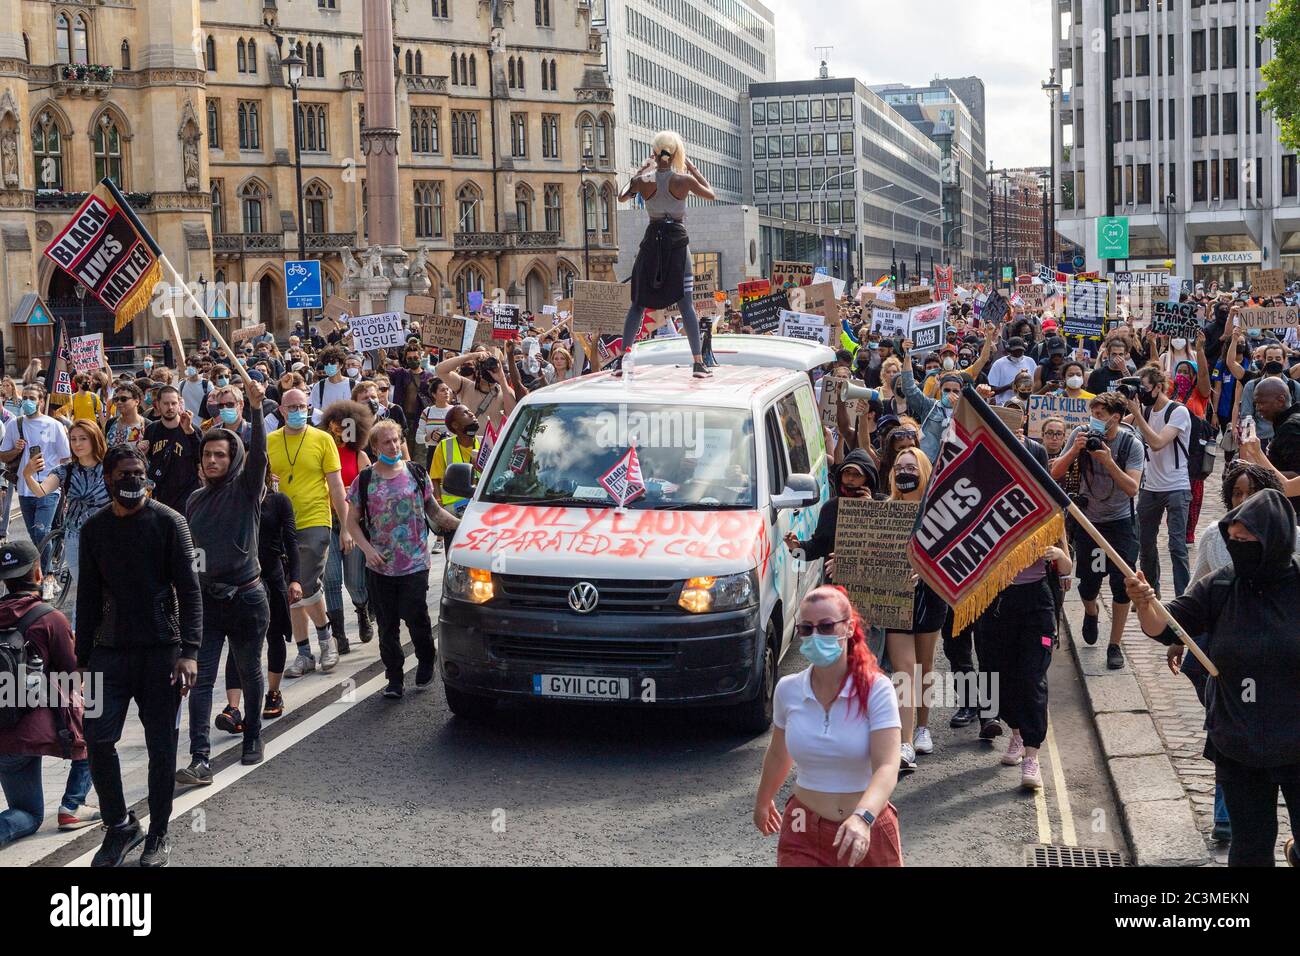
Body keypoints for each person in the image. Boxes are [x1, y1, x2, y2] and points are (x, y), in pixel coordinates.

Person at [1125, 489, 1300, 868]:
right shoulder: (1221, 585)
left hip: (1297, 742)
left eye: (1247, 542)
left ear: (1275, 542)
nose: (1237, 549)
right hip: (1238, 742)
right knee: (1250, 849)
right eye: (1232, 540)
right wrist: (1144, 602)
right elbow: (1167, 626)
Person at [77, 445, 203, 868]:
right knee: (96, 738)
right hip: (107, 654)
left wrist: (189, 652)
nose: (132, 481)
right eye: (124, 475)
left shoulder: (170, 523)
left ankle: (159, 833)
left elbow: (189, 591)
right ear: (108, 479)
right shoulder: (94, 529)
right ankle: (120, 825)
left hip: (162, 654)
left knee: (161, 747)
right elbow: (88, 598)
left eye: (138, 473)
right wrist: (80, 662)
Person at [752, 585, 903, 867]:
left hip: (866, 829)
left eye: (826, 626)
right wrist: (763, 801)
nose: (815, 635)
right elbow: (778, 754)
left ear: (848, 628)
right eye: (806, 629)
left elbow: (888, 765)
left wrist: (863, 817)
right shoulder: (788, 689)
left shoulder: (876, 689)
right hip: (802, 827)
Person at [176, 377, 270, 786]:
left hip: (247, 600)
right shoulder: (194, 500)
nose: (212, 460)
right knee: (199, 678)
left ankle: (253, 735)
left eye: (220, 454)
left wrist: (254, 409)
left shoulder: (246, 489)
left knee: (249, 671)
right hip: (206, 603)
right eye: (207, 455)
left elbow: (261, 456)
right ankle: (200, 758)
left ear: (233, 459)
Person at [345, 420, 459, 698]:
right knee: (387, 625)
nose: (393, 446)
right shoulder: (366, 480)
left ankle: (425, 657)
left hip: (415, 563)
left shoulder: (415, 473)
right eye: (386, 442)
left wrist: (465, 525)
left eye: (396, 440)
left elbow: (434, 511)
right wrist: (367, 550)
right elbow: (352, 522)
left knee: (416, 616)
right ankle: (394, 677)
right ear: (375, 447)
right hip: (380, 566)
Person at [0, 540, 97, 848]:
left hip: (6, 740)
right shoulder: (50, 618)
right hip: (30, 733)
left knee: (27, 812)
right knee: (98, 714)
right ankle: (72, 803)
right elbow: (73, 678)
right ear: (38, 573)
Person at [1050, 392, 1143, 670]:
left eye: (1100, 415)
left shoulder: (1131, 444)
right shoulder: (1080, 433)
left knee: (1122, 584)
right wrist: (1074, 451)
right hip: (1088, 521)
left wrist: (1108, 462)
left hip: (1121, 522)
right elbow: (1054, 473)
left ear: (1116, 417)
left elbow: (1132, 488)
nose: (1095, 420)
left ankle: (1114, 645)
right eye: (1093, 414)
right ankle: (1091, 612)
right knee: (1088, 583)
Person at [975, 526, 1072, 789]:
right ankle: (1016, 733)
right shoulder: (992, 510)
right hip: (997, 601)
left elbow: (1066, 566)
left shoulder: (1047, 510)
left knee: (1032, 677)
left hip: (1037, 602)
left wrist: (1057, 555)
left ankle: (1031, 756)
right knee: (1001, 675)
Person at [615, 130, 716, 379]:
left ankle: (623, 361)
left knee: (637, 303)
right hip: (677, 244)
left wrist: (640, 169)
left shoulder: (644, 181)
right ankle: (698, 363)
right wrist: (691, 166)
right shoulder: (684, 180)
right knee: (686, 304)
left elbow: (622, 196)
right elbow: (710, 193)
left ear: (655, 151)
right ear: (675, 154)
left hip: (651, 243)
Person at [267, 388, 350, 678]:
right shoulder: (270, 442)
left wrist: (346, 527)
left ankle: (327, 641)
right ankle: (304, 654)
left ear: (309, 407)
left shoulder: (323, 439)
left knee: (306, 582)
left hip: (315, 519)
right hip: (282, 525)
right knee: (293, 589)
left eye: (301, 406)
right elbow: (260, 485)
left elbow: (337, 486)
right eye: (291, 407)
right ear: (280, 410)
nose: (296, 411)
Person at [884, 448, 945, 772]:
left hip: (930, 596)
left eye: (911, 467)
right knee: (903, 670)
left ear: (923, 471)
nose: (904, 471)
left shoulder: (935, 513)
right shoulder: (886, 510)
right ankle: (905, 742)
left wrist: (924, 569)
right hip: (895, 598)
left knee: (924, 666)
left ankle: (923, 727)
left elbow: (949, 554)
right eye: (899, 467)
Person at [21, 419, 109, 627]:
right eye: (73, 439)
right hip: (76, 538)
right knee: (86, 589)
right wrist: (27, 474)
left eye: (83, 439)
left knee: (108, 588)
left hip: (108, 539)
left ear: (95, 439)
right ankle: (80, 641)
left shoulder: (111, 467)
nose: (77, 444)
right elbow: (40, 491)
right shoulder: (66, 471)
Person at [1129, 365, 1194, 600]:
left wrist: (1136, 413)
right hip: (1150, 487)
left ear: (1158, 387)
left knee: (1177, 547)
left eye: (1145, 388)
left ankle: (1183, 599)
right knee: (1145, 545)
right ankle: (1151, 595)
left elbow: (1157, 442)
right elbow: (1119, 426)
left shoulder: (1178, 411)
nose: (1142, 394)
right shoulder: (1144, 410)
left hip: (1176, 486)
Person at [319, 400, 373, 654]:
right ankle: (339, 635)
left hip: (353, 523)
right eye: (334, 424)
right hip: (327, 521)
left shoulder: (359, 456)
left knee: (354, 582)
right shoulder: (321, 452)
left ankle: (362, 610)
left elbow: (371, 494)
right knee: (330, 580)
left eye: (344, 425)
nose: (338, 429)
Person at [0, 383, 71, 566]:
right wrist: (16, 450)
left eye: (32, 398)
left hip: (49, 488)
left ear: (41, 401)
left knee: (42, 532)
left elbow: (65, 458)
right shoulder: (15, 425)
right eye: (25, 398)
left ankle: (46, 576)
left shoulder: (54, 425)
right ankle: (51, 560)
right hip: (25, 489)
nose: (28, 402)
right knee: (35, 535)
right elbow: (3, 454)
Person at [144, 385, 203, 513]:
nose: (170, 407)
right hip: (161, 497)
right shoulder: (151, 429)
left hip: (187, 497)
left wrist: (190, 432)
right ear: (157, 405)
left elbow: (201, 458)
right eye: (165, 403)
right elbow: (148, 461)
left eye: (173, 403)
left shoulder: (191, 428)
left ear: (179, 404)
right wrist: (141, 452)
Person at [428, 405, 481, 541]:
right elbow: (435, 479)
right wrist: (441, 509)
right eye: (465, 413)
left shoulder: (486, 442)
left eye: (470, 410)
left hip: (480, 504)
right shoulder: (444, 446)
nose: (471, 414)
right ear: (455, 425)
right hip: (454, 508)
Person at [416, 379, 455, 470]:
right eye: (442, 390)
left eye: (447, 389)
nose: (446, 392)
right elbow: (418, 438)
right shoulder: (427, 412)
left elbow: (461, 433)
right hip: (433, 452)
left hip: (452, 450)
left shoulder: (455, 411)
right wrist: (430, 436)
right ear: (434, 394)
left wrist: (447, 437)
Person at [308, 346, 354, 423]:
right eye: (326, 363)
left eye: (332, 362)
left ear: (341, 364)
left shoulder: (353, 385)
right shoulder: (319, 387)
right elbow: (314, 411)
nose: (329, 365)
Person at [987, 336, 1036, 403]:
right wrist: (1009, 386)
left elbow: (1036, 384)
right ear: (1009, 351)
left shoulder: (1030, 361)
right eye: (1015, 351)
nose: (1018, 354)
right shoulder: (999, 364)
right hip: (1005, 406)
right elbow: (991, 390)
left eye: (1020, 351)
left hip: (1027, 405)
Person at [103, 382, 149, 449]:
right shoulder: (110, 423)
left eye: (123, 399)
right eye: (116, 399)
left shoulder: (148, 426)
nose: (119, 402)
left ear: (136, 401)